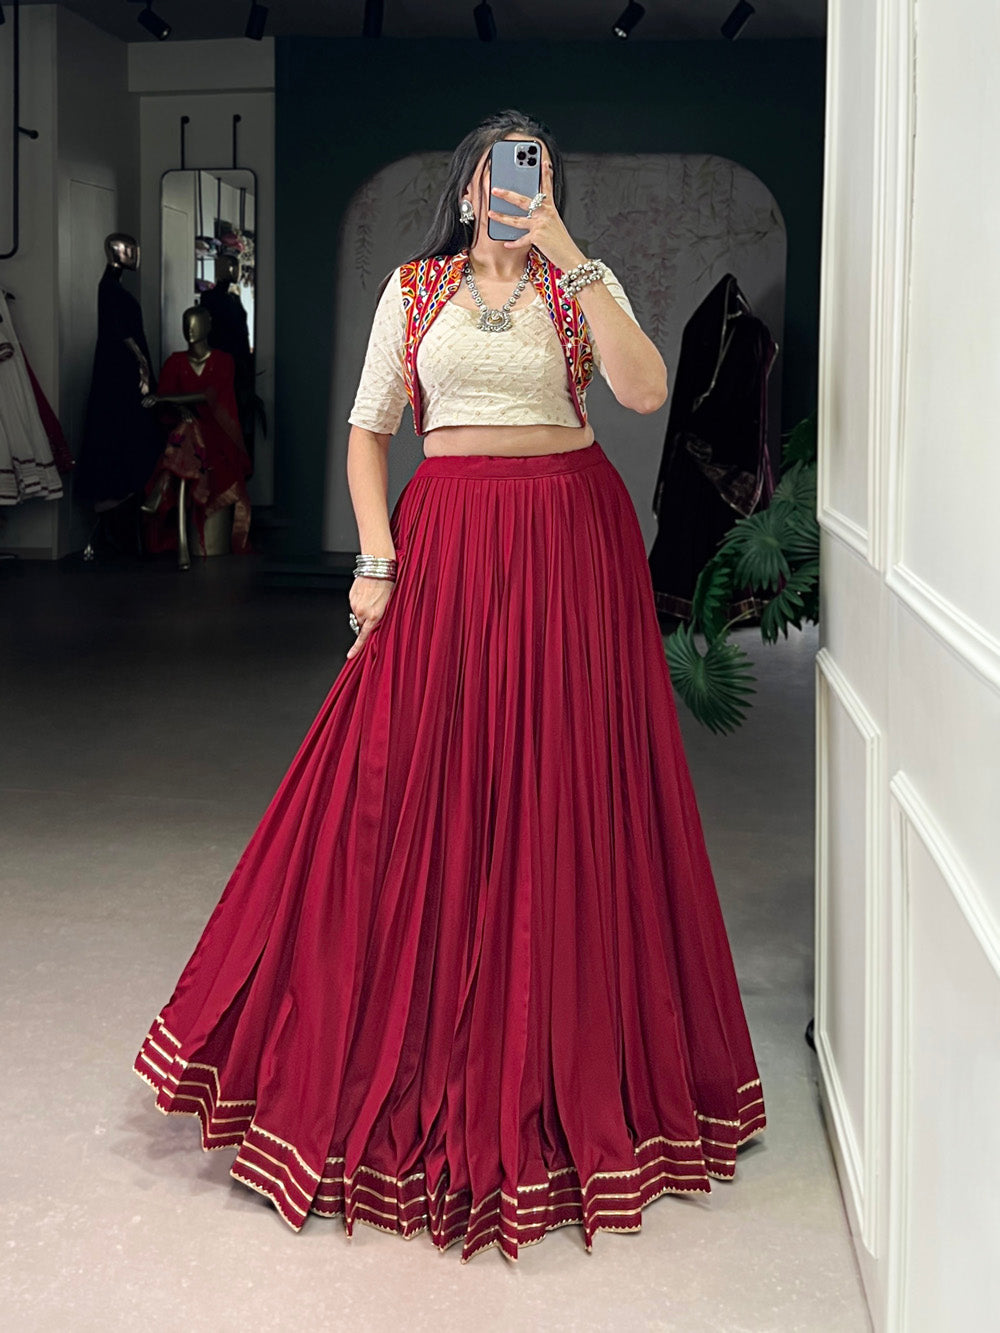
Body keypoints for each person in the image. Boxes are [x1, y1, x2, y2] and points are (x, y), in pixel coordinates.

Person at [133, 109, 766, 1264]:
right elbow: (368, 431)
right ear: (467, 189)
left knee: (569, 790)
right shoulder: (414, 289)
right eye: (499, 173)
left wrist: (571, 250)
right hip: (449, 543)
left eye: (536, 174)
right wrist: (374, 559)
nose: (514, 189)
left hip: (571, 546)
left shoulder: (578, 285)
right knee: (405, 785)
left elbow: (641, 392)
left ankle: (569, 1056)